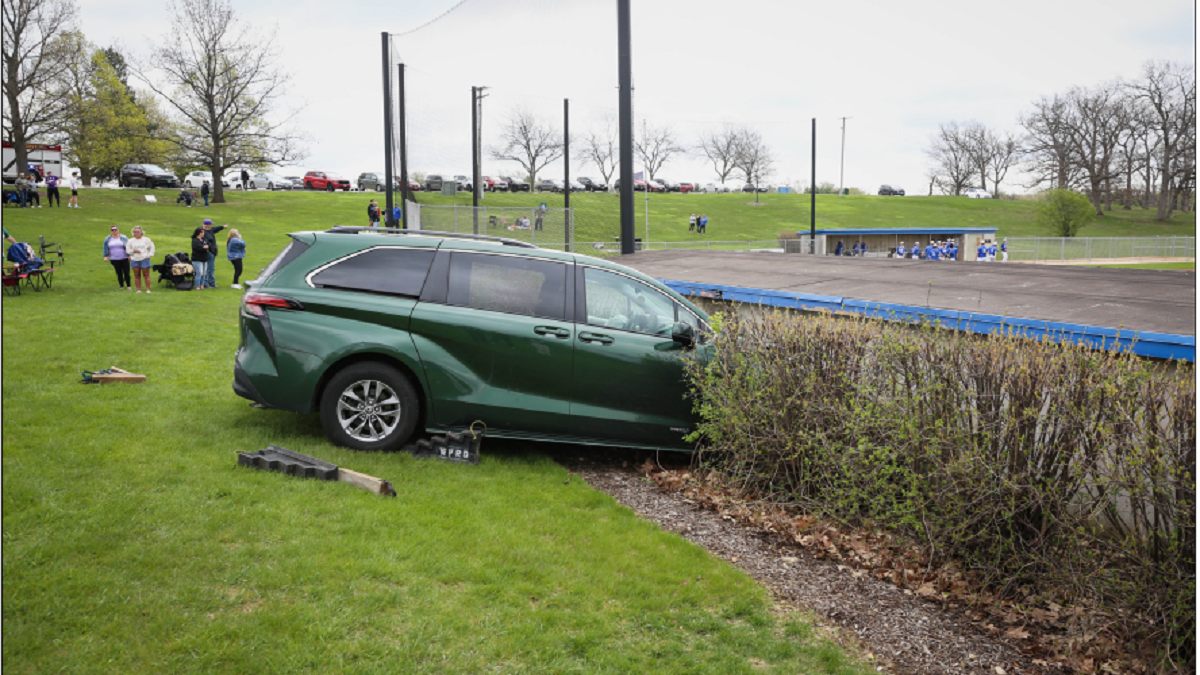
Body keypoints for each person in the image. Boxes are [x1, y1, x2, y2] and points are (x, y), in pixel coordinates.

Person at [125, 226, 156, 293]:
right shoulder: (130, 241)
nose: (136, 233)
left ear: (141, 232)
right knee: (136, 275)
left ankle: (148, 290)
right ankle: (139, 290)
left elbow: (152, 248)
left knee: (146, 275)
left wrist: (149, 255)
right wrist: (134, 250)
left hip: (144, 258)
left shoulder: (146, 240)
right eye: (135, 232)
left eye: (138, 231)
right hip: (134, 259)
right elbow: (127, 251)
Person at [103, 226, 132, 290]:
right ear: (111, 231)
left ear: (118, 230)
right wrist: (105, 256)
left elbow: (129, 246)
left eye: (115, 229)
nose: (114, 231)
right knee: (119, 272)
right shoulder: (108, 239)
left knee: (126, 272)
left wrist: (129, 255)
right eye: (112, 230)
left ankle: (128, 286)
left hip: (124, 257)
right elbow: (105, 247)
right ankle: (121, 286)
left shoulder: (123, 237)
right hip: (114, 258)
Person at [200, 219, 226, 288]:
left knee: (211, 268)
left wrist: (222, 227)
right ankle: (208, 283)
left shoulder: (209, 230)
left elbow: (215, 229)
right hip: (209, 253)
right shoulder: (203, 233)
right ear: (208, 225)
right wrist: (208, 250)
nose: (211, 226)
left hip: (212, 252)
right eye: (210, 224)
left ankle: (210, 283)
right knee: (209, 268)